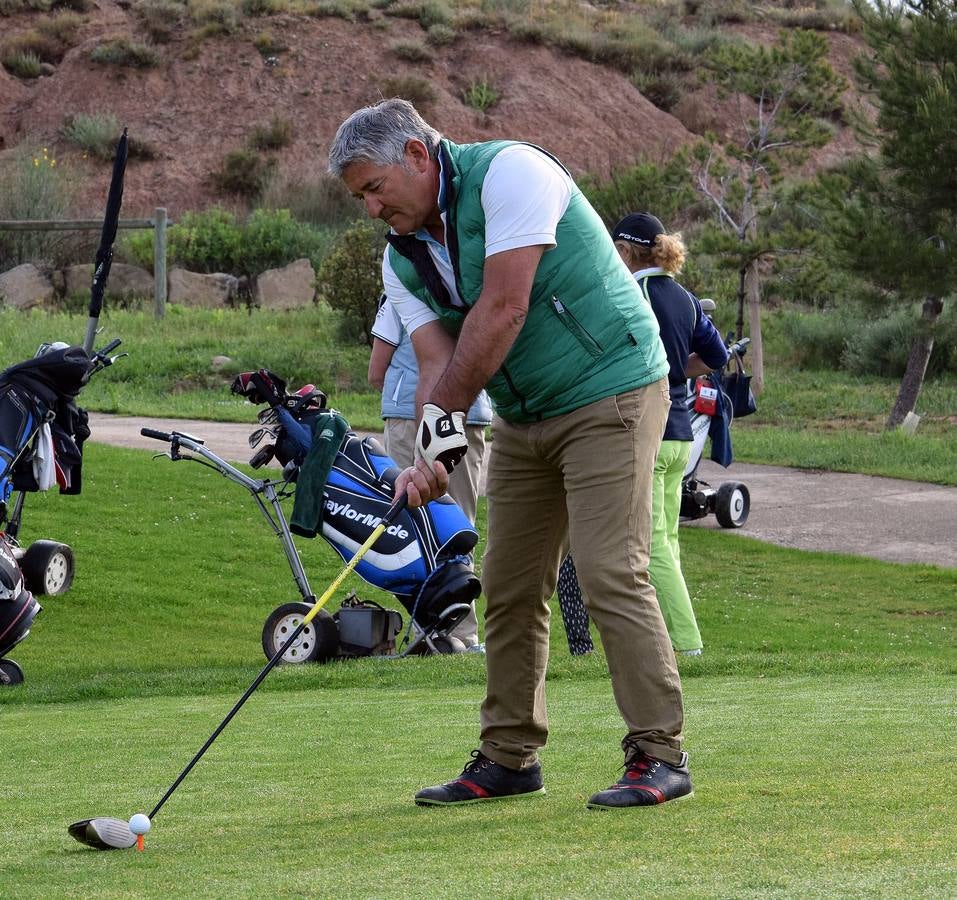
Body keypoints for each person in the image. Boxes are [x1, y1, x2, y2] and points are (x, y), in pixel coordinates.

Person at [329, 98, 692, 810]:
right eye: (358, 198)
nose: (370, 207)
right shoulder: (402, 258)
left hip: (610, 388)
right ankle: (508, 756)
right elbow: (434, 362)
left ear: (415, 155)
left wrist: (442, 422)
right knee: (510, 581)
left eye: (374, 187)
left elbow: (504, 307)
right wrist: (433, 453)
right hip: (528, 415)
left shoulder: (510, 173)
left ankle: (658, 753)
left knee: (608, 568)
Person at [556, 214, 729, 657]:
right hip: (681, 435)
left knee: (651, 544)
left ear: (626, 252)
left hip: (645, 430)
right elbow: (716, 355)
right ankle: (673, 640)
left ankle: (687, 644)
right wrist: (674, 372)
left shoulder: (632, 292)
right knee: (666, 538)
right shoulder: (687, 299)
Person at [368, 290, 492, 649]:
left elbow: (377, 369)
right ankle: (463, 635)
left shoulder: (398, 289)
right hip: (470, 414)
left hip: (410, 415)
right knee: (458, 523)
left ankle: (428, 631)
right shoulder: (471, 283)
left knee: (413, 529)